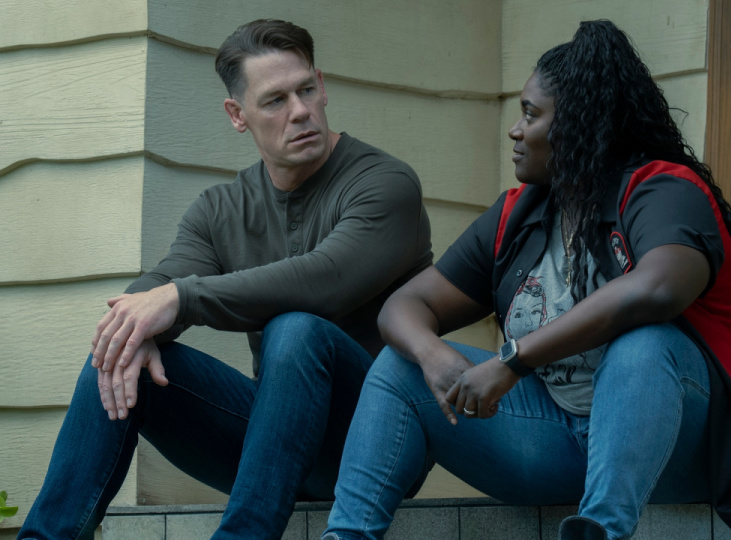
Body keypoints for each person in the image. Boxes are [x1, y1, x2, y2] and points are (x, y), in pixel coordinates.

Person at [321, 20, 731, 540]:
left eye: (530, 114)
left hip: (688, 444)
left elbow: (657, 289)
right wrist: (434, 358)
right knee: (399, 362)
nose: (515, 130)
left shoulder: (663, 190)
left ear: (582, 124)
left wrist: (512, 359)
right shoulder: (516, 216)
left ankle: (602, 533)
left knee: (644, 342)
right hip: (558, 441)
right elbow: (403, 307)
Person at [18, 19, 432, 540]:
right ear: (238, 115)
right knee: (123, 341)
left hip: (379, 440)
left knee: (298, 326)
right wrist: (142, 324)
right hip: (274, 440)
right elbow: (159, 284)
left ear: (322, 85)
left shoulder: (385, 183)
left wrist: (181, 300)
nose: (300, 110)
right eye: (275, 100)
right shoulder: (219, 208)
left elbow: (327, 279)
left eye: (306, 90)